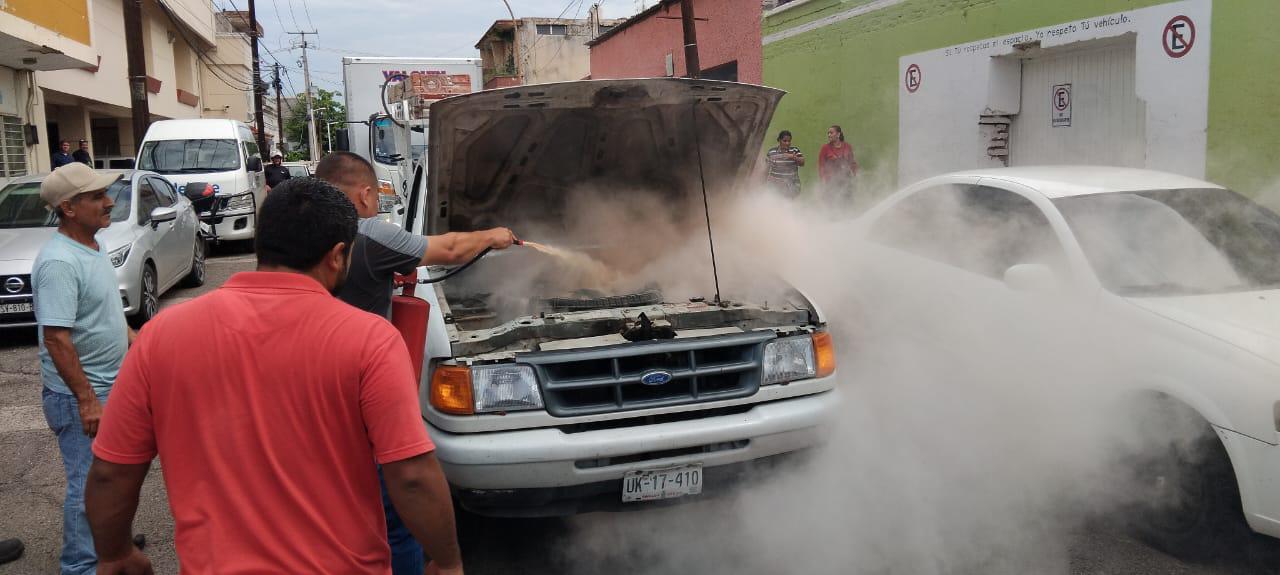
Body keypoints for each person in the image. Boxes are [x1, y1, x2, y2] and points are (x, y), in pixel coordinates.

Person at [84, 178, 464, 575]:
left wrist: (115, 553)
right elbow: (413, 476)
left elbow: (112, 471)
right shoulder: (370, 339)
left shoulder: (161, 335)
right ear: (337, 255)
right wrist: (448, 560)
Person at [314, 151, 513, 574]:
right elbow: (452, 247)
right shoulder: (369, 234)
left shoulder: (296, 237)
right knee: (395, 517)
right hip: (362, 397)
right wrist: (494, 235)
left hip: (308, 397)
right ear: (365, 194)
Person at [33, 162, 136, 574]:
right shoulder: (59, 262)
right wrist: (88, 401)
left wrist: (136, 340)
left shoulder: (91, 247)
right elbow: (56, 337)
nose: (108, 201)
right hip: (81, 398)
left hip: (109, 388)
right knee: (88, 485)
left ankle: (108, 541)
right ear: (68, 208)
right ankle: (80, 566)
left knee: (109, 479)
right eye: (96, 196)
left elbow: (103, 312)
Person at [818, 125, 858, 206]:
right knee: (833, 203)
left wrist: (856, 174)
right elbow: (821, 166)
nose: (829, 135)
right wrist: (824, 179)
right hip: (832, 181)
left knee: (847, 203)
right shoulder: (825, 148)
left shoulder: (847, 146)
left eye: (831, 133)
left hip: (846, 180)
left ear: (838, 134)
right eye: (828, 133)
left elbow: (852, 162)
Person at [764, 130, 805, 197]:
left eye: (789, 141)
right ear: (779, 140)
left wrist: (794, 158)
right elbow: (766, 169)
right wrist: (764, 181)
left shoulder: (794, 150)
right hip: (775, 185)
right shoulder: (772, 152)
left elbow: (802, 163)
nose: (787, 143)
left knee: (786, 200)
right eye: (785, 141)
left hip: (792, 185)